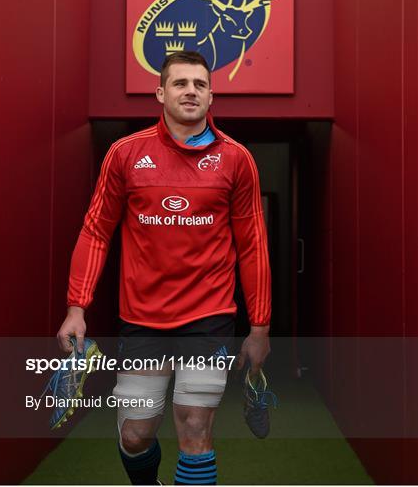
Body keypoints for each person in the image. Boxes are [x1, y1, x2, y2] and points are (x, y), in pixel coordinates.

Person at [56, 51, 271, 485]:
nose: (191, 91)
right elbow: (96, 232)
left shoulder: (236, 159)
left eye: (200, 84)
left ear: (211, 96)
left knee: (194, 426)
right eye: (180, 83)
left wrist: (260, 327)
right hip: (142, 321)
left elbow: (253, 246)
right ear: (160, 93)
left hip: (209, 318)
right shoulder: (125, 154)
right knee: (136, 434)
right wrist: (76, 307)